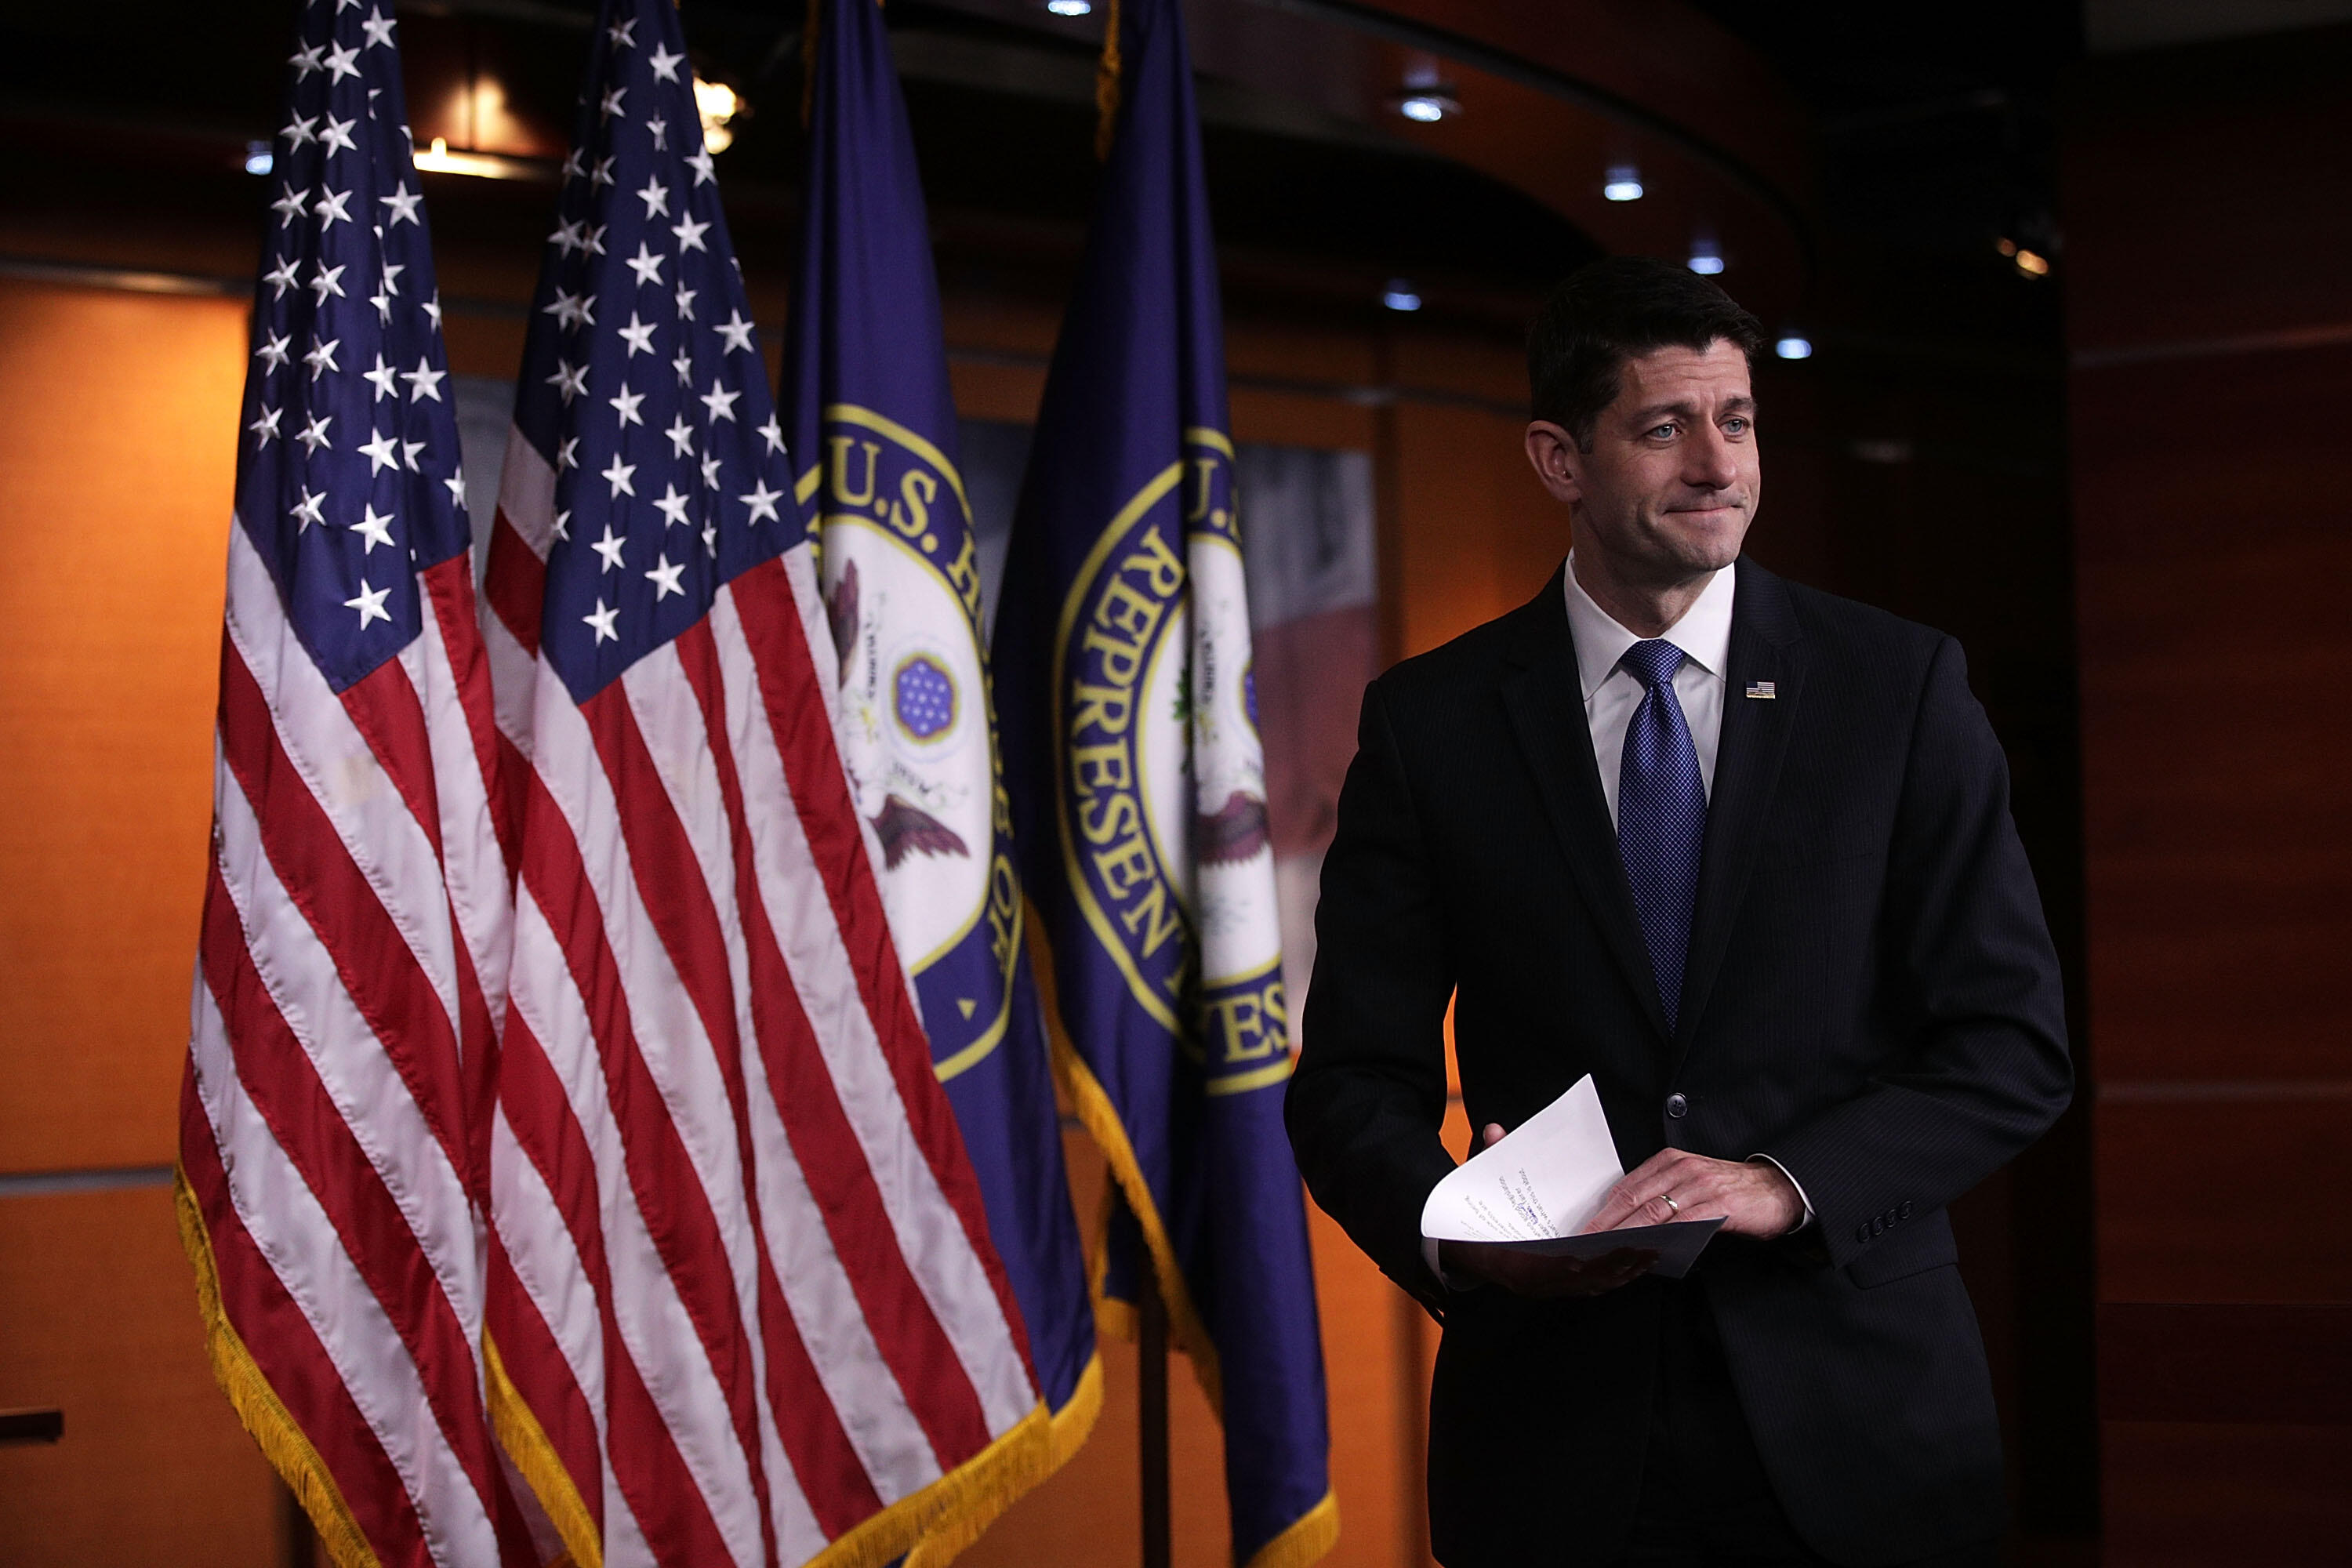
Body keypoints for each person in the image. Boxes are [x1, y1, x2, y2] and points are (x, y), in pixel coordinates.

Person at [1285, 256, 2071, 1567]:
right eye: (1666, 427)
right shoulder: (1433, 724)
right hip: (1554, 1434)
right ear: (1559, 458)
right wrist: (1471, 1245)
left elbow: (2012, 1046)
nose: (1719, 465)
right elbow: (1352, 1084)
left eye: (1739, 420)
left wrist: (1781, 1184)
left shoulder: (1897, 690)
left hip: (1863, 1420)